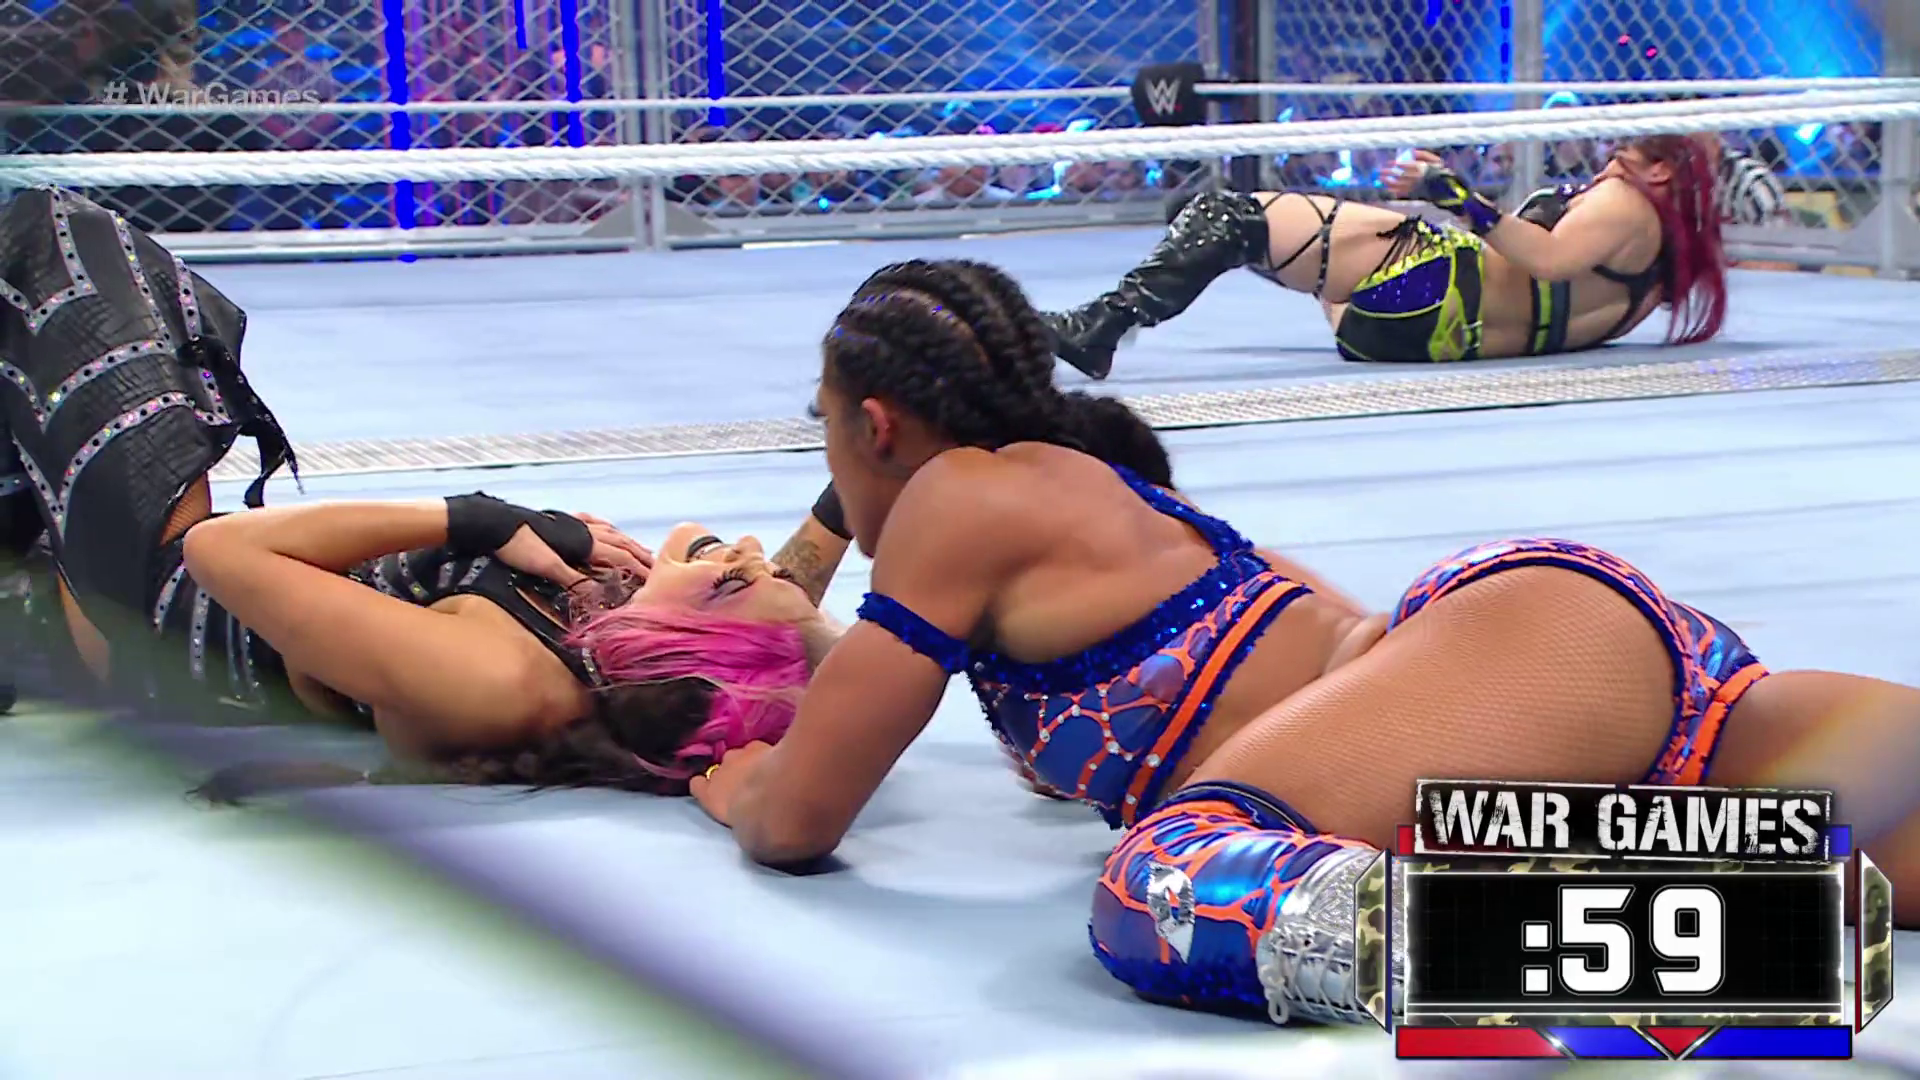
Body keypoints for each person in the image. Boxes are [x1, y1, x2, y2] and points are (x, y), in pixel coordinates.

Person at [690, 255, 1920, 1029]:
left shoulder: (958, 493)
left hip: (1507, 665)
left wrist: (734, 783)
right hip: (1567, 703)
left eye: (824, 431)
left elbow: (800, 819)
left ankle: (1743, 939)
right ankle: (1736, 888)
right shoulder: (1080, 499)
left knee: (1167, 889)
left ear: (877, 426)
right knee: (1839, 807)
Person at [0, 186, 851, 792]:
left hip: (147, 605)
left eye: (732, 580)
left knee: (59, 242)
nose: (739, 548)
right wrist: (847, 498)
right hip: (118, 582)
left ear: (676, 649)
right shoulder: (603, 628)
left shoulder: (504, 682)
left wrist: (481, 519)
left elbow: (218, 550)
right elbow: (725, 573)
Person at [1042, 133, 1728, 379]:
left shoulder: (1626, 205)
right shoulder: (1663, 262)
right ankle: (1145, 294)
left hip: (1426, 285)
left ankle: (1098, 329)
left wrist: (1453, 195)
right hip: (1428, 335)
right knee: (1210, 227)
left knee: (1222, 216)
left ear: (1661, 170)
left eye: (1625, 148)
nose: (1609, 155)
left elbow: (1546, 259)